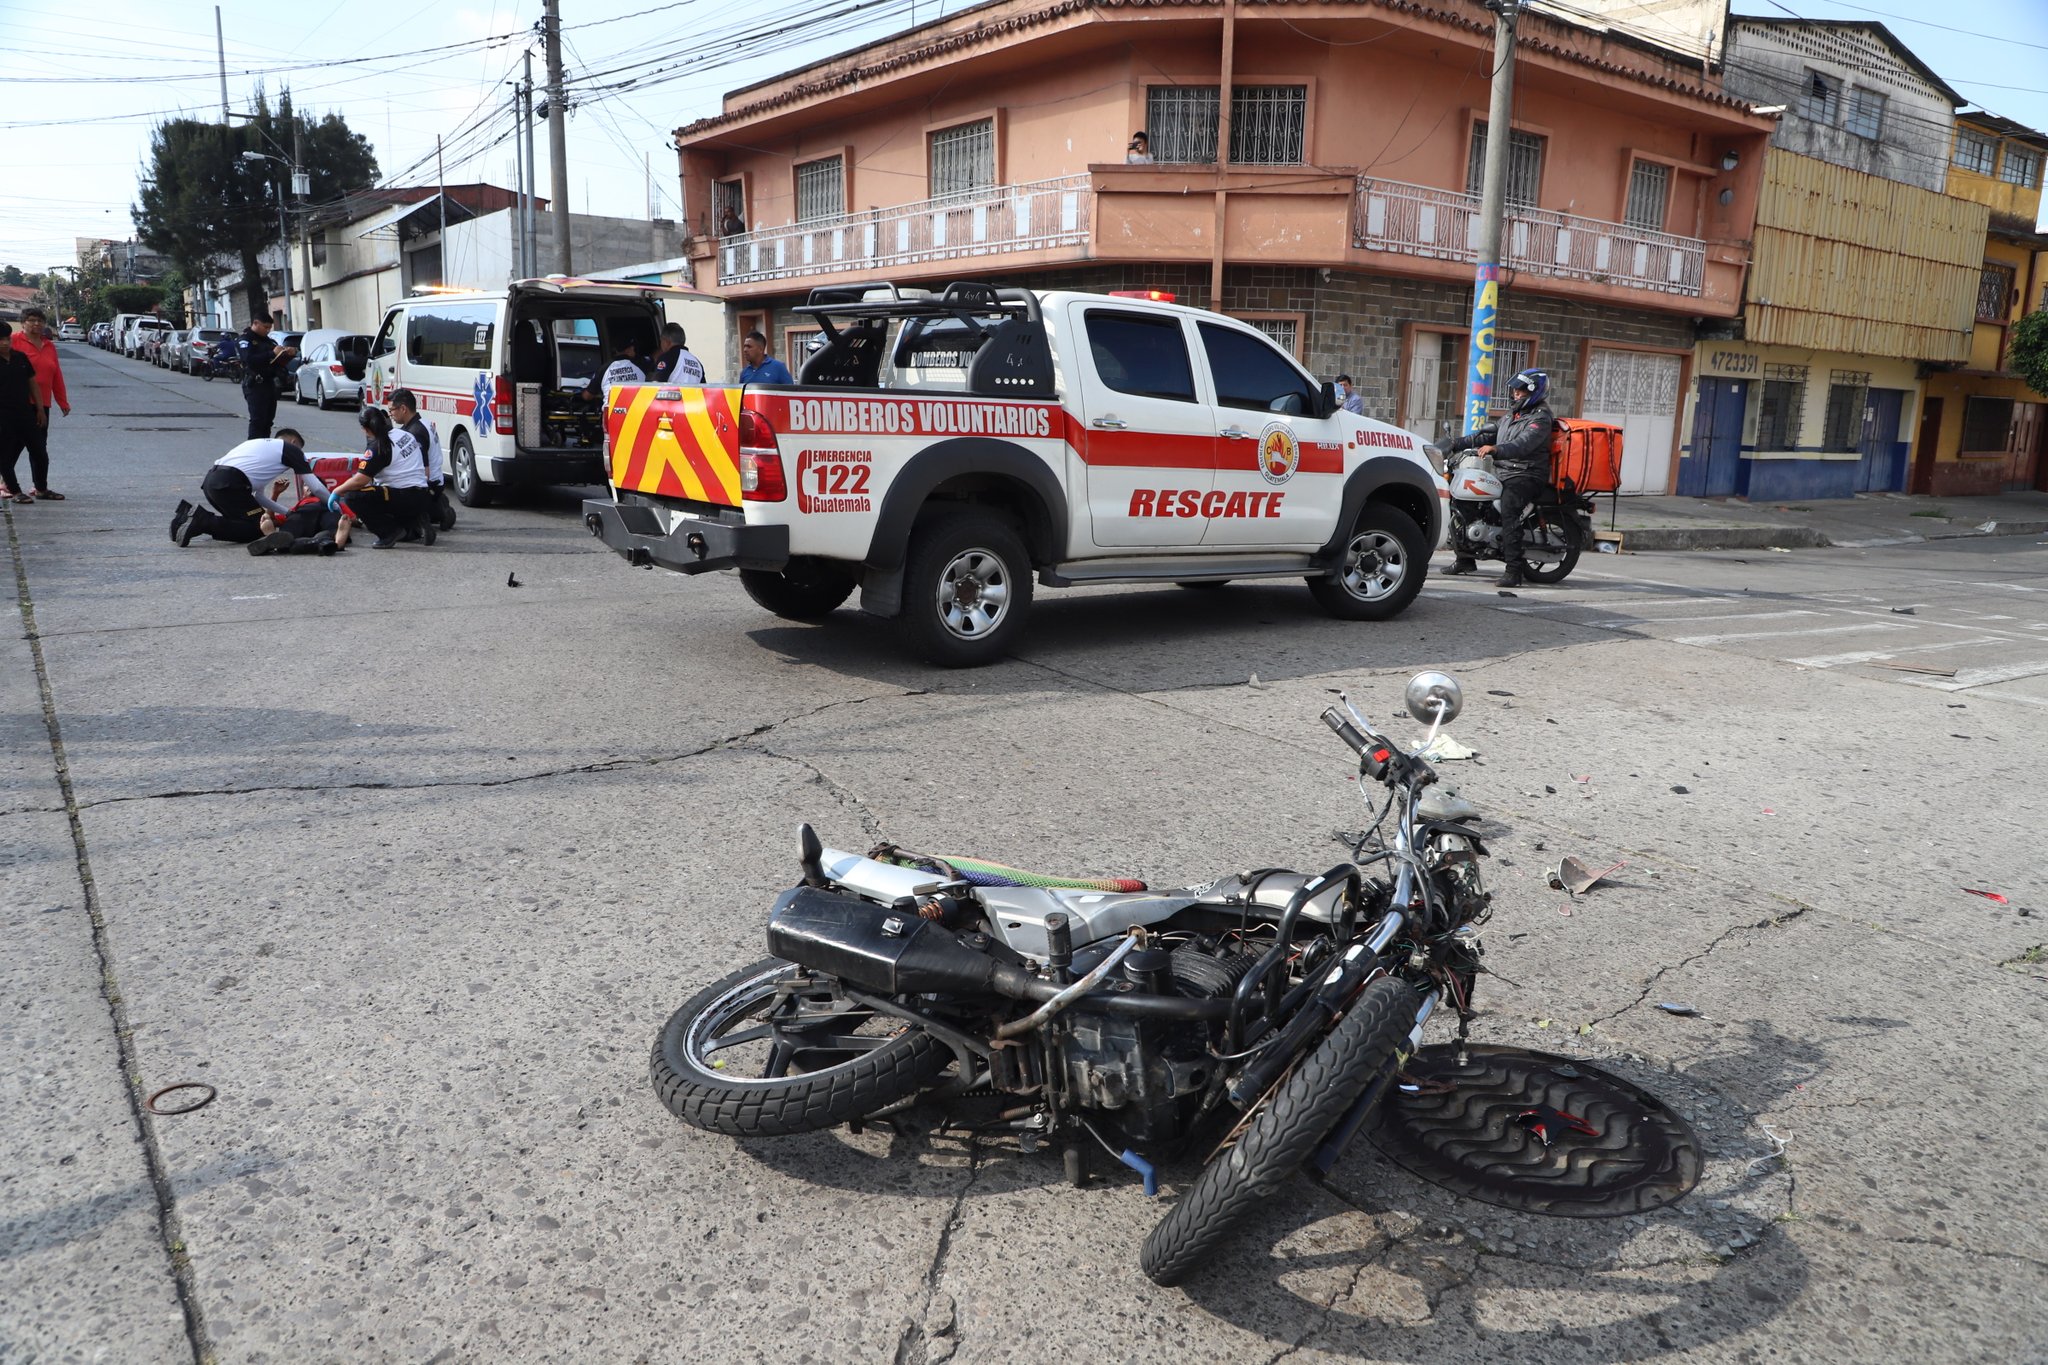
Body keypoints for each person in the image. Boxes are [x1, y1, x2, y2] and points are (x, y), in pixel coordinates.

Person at [1442, 368, 1556, 588]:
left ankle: (1513, 571)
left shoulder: (1540, 418)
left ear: (1534, 391)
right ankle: (1465, 560)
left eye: (1521, 390)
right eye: (1515, 390)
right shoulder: (1512, 414)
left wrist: (1497, 450)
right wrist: (1456, 443)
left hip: (1527, 474)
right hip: (1505, 471)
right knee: (1465, 500)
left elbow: (1524, 444)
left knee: (1509, 507)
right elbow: (1486, 434)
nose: (1516, 394)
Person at [170, 428, 326, 549]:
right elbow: (317, 488)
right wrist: (335, 505)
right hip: (231, 484)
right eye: (300, 449)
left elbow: (259, 496)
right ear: (293, 442)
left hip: (214, 482)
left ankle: (183, 520)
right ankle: (203, 521)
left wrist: (287, 512)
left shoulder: (261, 447)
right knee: (257, 527)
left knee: (242, 521)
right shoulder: (290, 450)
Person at [323, 407, 431, 550]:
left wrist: (337, 490)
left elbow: (360, 480)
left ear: (365, 429)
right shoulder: (403, 434)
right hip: (422, 494)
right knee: (381, 490)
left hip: (404, 497)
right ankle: (414, 525)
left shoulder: (379, 447)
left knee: (353, 497)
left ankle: (389, 533)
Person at [10, 307, 69, 499]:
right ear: (23, 322)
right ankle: (7, 485)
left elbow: (56, 373)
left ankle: (40, 488)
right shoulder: (13, 341)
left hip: (42, 404)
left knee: (38, 448)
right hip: (17, 403)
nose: (36, 324)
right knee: (13, 445)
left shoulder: (48, 345)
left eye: (40, 321)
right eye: (32, 320)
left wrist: (62, 401)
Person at [385, 388, 453, 536]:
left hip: (429, 485)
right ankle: (439, 507)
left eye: (392, 410)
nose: (390, 414)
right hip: (437, 482)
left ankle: (431, 514)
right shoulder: (423, 422)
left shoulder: (414, 433)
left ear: (403, 409)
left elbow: (423, 472)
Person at [0, 321, 46, 504]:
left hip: (25, 412)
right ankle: (15, 490)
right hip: (3, 415)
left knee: (39, 451)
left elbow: (32, 383)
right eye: (0, 340)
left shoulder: (20, 358)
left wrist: (40, 409)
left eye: (6, 339)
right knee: (4, 455)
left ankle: (41, 488)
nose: (4, 343)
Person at [237, 311, 297, 441]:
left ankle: (265, 448)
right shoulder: (245, 339)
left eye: (270, 328)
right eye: (265, 327)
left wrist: (289, 353)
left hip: (269, 384)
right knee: (258, 420)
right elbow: (249, 359)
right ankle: (253, 450)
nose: (268, 330)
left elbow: (277, 360)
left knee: (268, 421)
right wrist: (271, 353)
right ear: (255, 323)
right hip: (255, 384)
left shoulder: (268, 341)